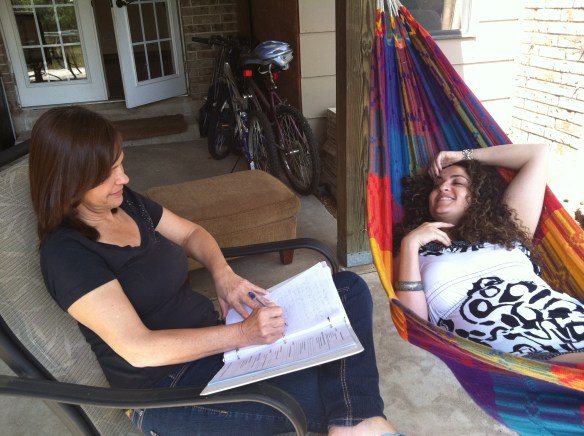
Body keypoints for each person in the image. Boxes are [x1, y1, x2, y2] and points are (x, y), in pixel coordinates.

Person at [28, 106, 399, 436]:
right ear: (69, 180)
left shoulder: (128, 205)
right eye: (107, 173)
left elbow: (191, 233)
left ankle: (355, 422)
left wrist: (223, 273)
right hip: (170, 390)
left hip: (218, 341)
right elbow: (139, 349)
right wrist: (243, 333)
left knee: (348, 288)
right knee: (330, 391)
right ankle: (359, 422)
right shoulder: (67, 254)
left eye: (120, 164)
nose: (123, 178)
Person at [393, 143, 584, 363]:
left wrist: (461, 155)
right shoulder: (415, 250)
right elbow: (414, 328)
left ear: (478, 196)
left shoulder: (507, 230)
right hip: (518, 360)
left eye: (457, 182)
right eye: (437, 184)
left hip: (569, 323)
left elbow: (537, 154)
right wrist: (410, 244)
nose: (443, 187)